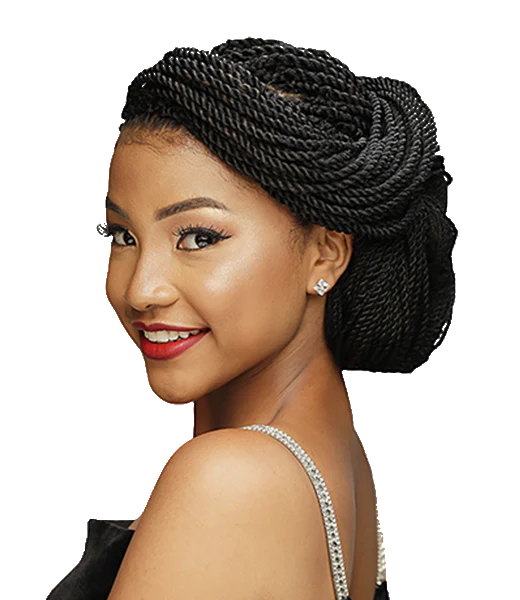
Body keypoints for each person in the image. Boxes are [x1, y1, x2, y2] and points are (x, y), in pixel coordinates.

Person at [49, 37, 456, 600]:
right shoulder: (329, 457)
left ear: (325, 254)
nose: (141, 290)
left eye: (198, 237)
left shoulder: (231, 480)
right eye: (124, 236)